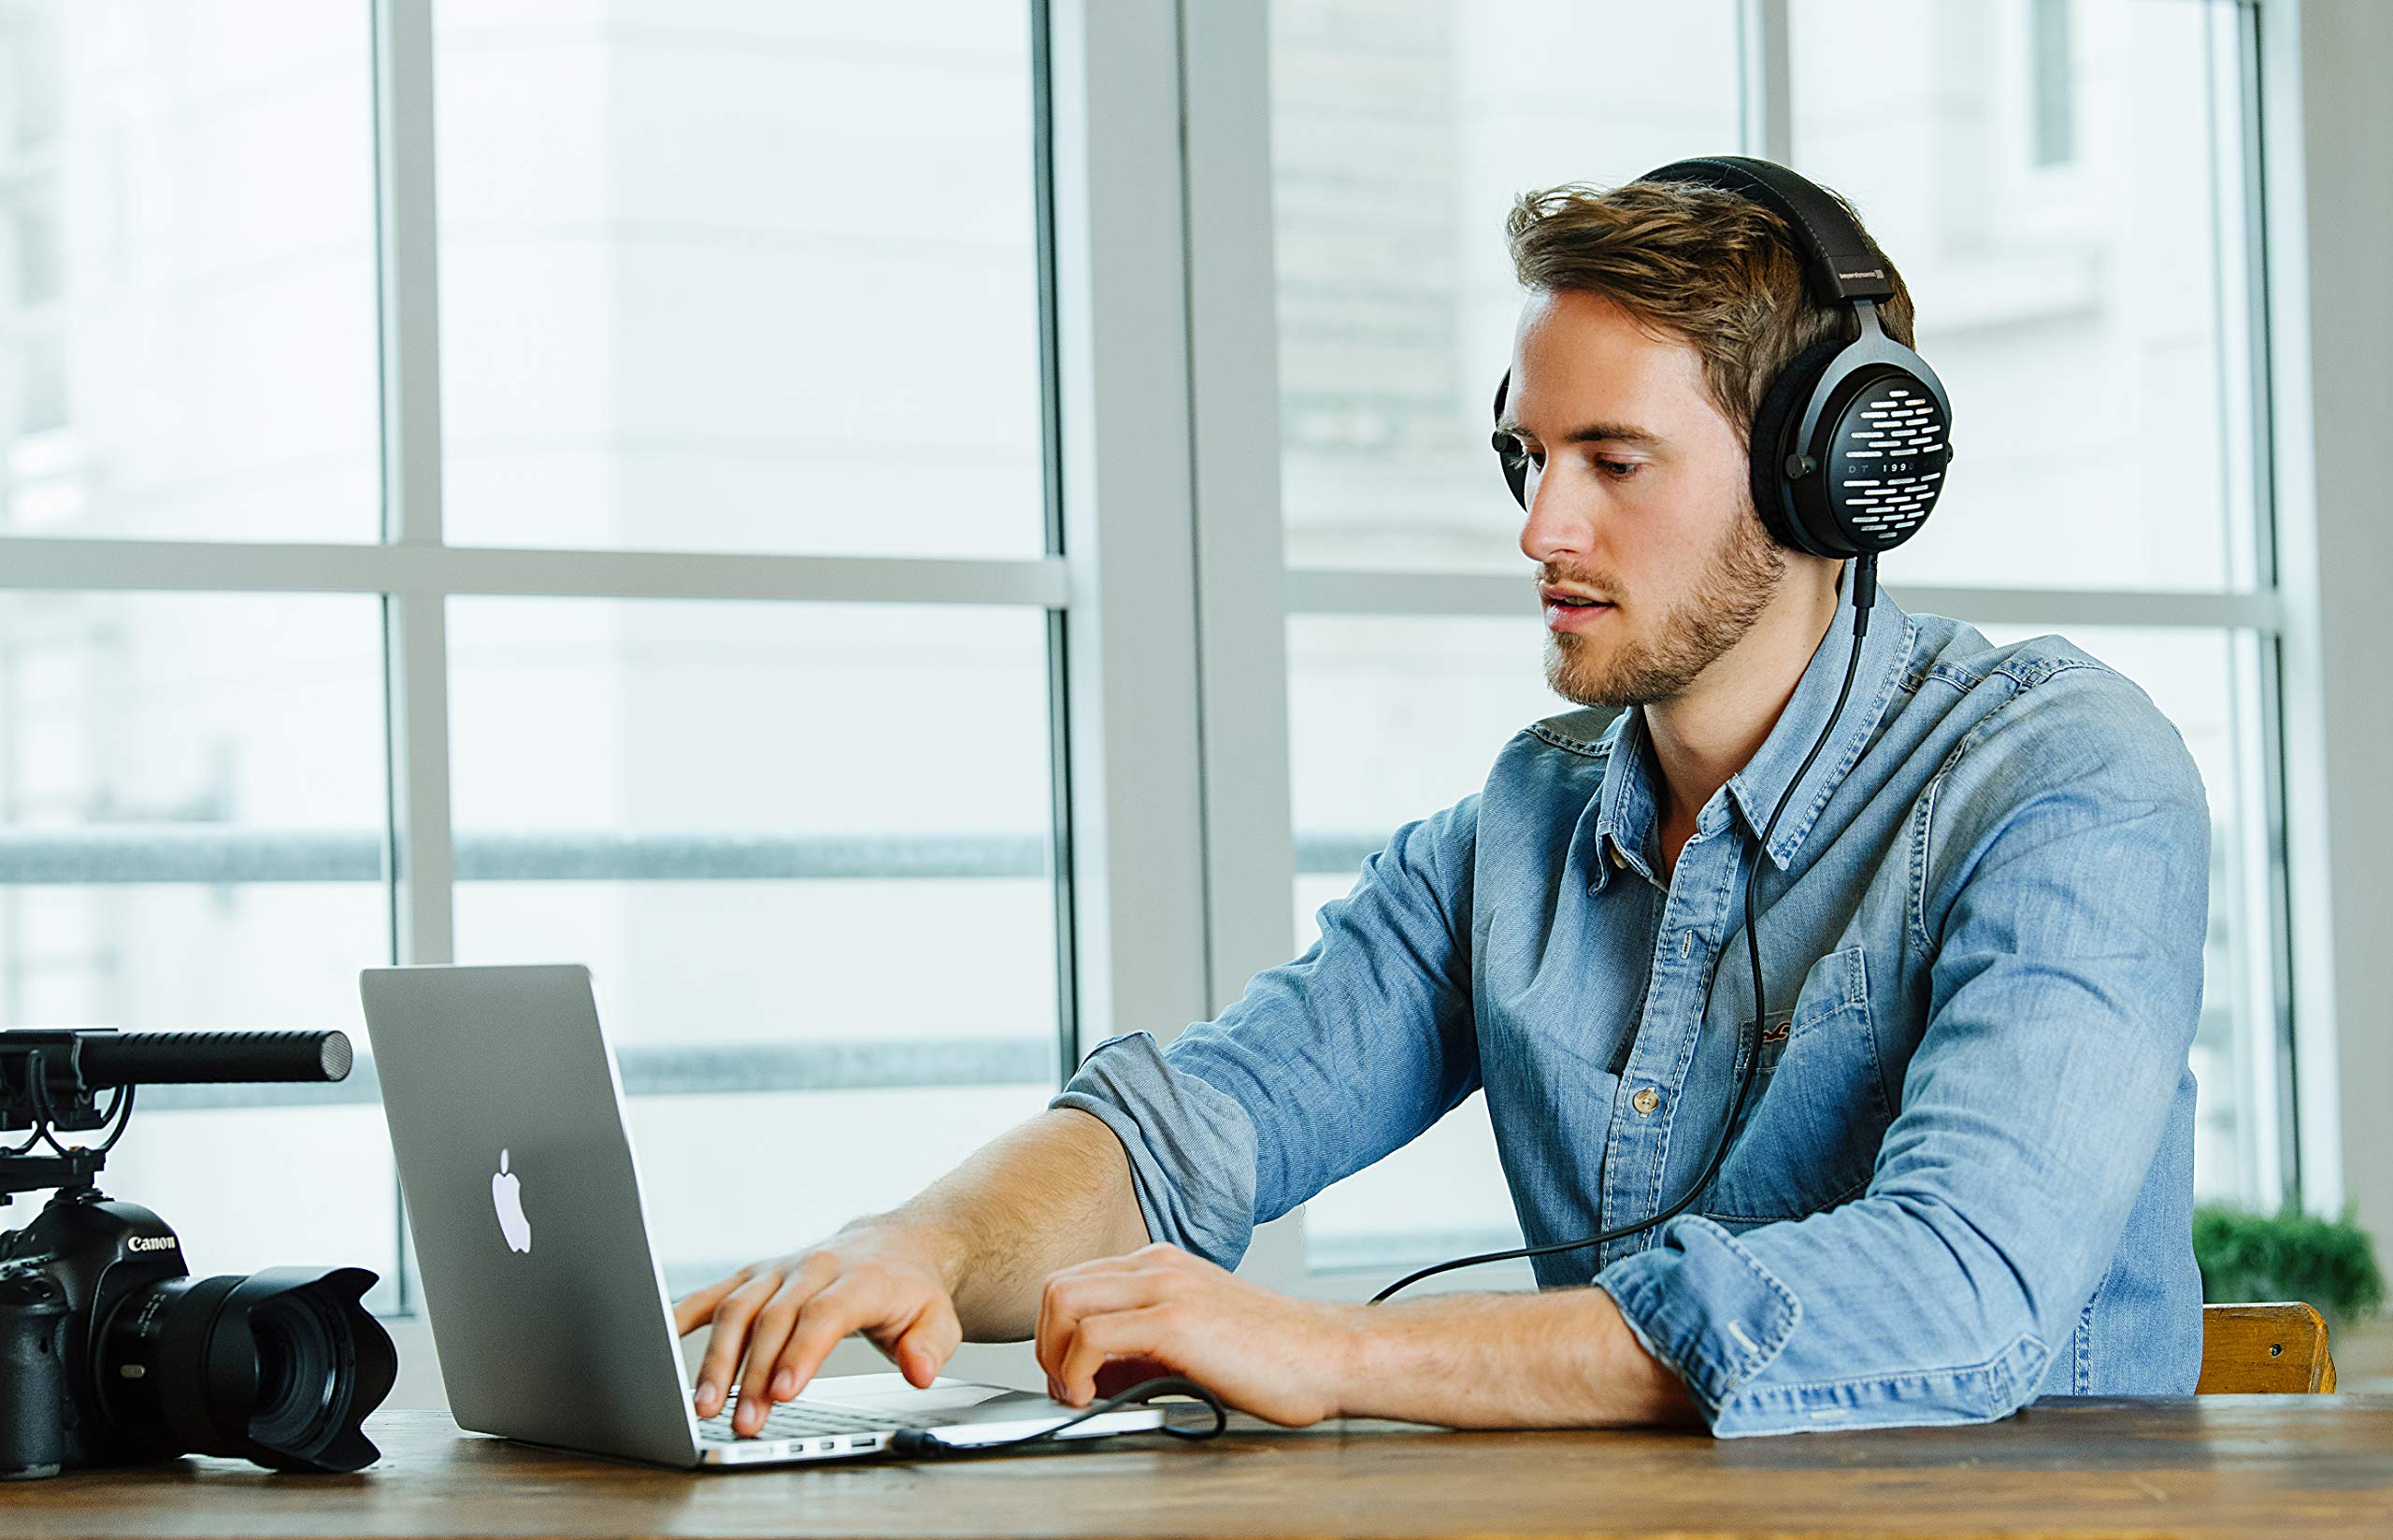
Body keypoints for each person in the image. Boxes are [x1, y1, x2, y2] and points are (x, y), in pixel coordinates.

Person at [672, 172, 2211, 1439]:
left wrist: (1335, 1354)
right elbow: (1201, 1124)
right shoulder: (1522, 830)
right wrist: (917, 1243)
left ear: (1828, 480)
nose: (1544, 526)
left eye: (1616, 461)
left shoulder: (2069, 783)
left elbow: (1961, 1288)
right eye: (1528, 457)